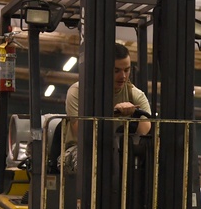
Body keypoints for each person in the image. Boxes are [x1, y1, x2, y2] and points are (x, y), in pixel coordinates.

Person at [63, 43, 151, 171]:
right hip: (80, 148)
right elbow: (81, 132)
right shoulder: (79, 91)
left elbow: (145, 127)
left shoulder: (135, 94)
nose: (123, 76)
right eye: (116, 71)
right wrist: (112, 114)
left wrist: (132, 123)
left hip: (119, 149)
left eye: (127, 70)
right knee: (90, 159)